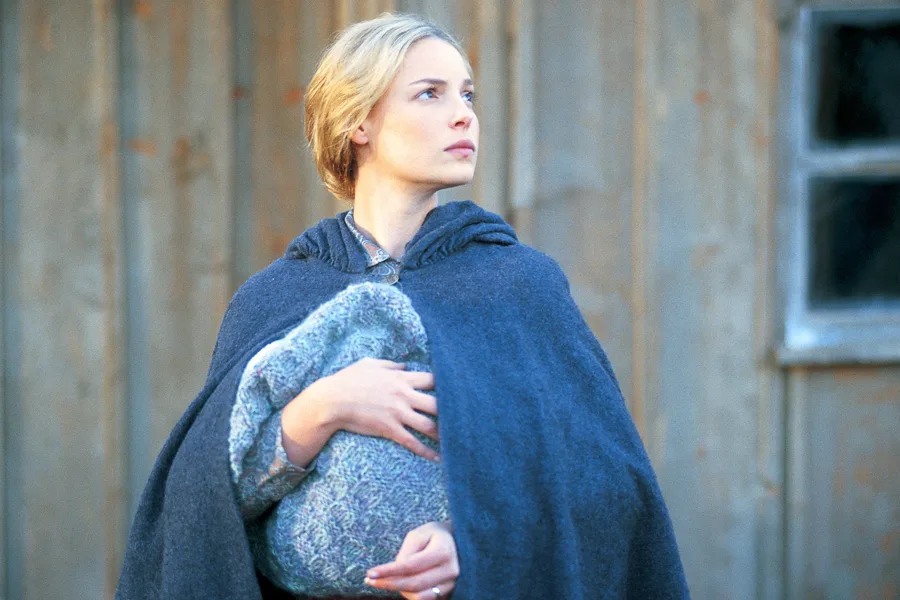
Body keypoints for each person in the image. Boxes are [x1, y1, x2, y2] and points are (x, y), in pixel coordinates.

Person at [117, 13, 690, 600]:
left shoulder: (519, 285)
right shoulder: (274, 296)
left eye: (467, 94)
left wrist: (474, 543)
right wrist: (323, 408)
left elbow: (603, 484)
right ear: (358, 121)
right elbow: (200, 510)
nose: (463, 114)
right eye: (430, 94)